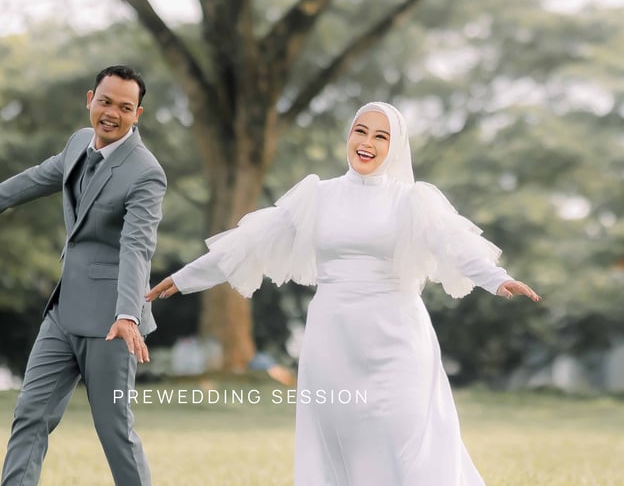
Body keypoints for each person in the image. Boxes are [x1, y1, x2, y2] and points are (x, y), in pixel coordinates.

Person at [146, 101, 540, 485]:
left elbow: (454, 244)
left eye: (381, 136)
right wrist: (185, 277)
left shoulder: (412, 200)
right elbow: (250, 242)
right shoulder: (318, 196)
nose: (367, 142)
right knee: (341, 440)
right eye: (360, 131)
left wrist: (496, 278)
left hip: (398, 335)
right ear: (349, 135)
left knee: (402, 434)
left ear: (395, 146)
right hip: (333, 337)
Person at [0, 65, 165, 486]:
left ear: (137, 114)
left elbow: (137, 247)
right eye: (105, 102)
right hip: (63, 312)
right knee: (30, 414)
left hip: (112, 323)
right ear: (90, 100)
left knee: (114, 430)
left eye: (125, 107)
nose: (112, 113)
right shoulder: (79, 142)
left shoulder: (146, 173)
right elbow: (40, 177)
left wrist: (128, 315)